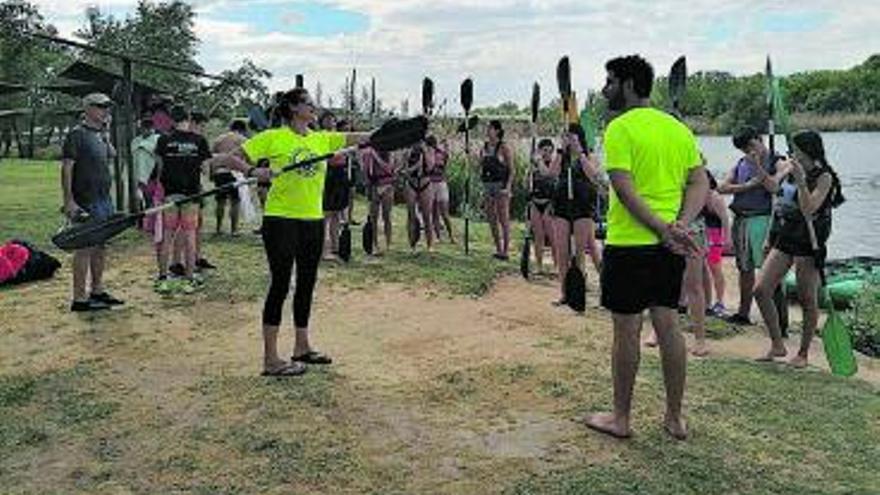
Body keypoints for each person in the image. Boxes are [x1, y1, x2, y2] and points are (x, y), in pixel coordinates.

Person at [583, 55, 708, 441]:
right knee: (668, 325)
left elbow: (623, 188)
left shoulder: (619, 128)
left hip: (631, 244)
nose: (605, 90)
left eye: (610, 82)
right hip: (669, 246)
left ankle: (621, 419)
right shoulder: (678, 130)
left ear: (630, 84)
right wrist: (680, 226)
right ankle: (674, 418)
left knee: (627, 331)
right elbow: (699, 183)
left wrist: (664, 228)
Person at [235, 87, 366, 376]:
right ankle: (270, 359)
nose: (314, 107)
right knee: (281, 285)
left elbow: (359, 138)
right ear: (294, 108)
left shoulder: (322, 139)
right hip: (281, 220)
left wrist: (391, 133)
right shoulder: (273, 137)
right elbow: (230, 157)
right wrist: (252, 171)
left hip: (312, 220)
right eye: (308, 103)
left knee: (307, 282)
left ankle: (301, 347)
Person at [754, 130, 844, 367]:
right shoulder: (788, 167)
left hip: (809, 240)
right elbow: (773, 188)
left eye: (796, 150)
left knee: (807, 299)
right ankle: (777, 344)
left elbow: (810, 208)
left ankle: (803, 353)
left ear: (808, 151)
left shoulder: (824, 177)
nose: (792, 153)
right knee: (761, 290)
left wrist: (802, 182)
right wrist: (760, 169)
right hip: (786, 235)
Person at [717, 126, 788, 325]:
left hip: (764, 220)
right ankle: (743, 313)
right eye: (744, 149)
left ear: (760, 139)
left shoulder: (778, 161)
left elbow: (774, 186)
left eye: (750, 145)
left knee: (769, 271)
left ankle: (777, 320)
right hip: (741, 218)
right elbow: (721, 187)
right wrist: (748, 186)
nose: (749, 151)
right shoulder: (741, 163)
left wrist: (759, 168)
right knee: (744, 268)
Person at [61, 93, 124, 312]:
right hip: (85, 199)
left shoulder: (100, 134)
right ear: (87, 108)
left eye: (108, 107)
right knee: (84, 247)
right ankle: (79, 299)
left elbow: (112, 155)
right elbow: (67, 167)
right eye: (101, 106)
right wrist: (69, 201)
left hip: (103, 198)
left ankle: (97, 290)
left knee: (100, 245)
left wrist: (106, 134)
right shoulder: (77, 135)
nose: (106, 110)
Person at [154, 106, 212, 294]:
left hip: (170, 195)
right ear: (188, 118)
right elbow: (205, 171)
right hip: (192, 195)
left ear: (171, 119)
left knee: (168, 235)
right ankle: (189, 278)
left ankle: (162, 278)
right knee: (189, 236)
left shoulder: (163, 140)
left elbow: (159, 168)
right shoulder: (200, 141)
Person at [550, 124, 603, 305]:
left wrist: (580, 153)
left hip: (582, 207)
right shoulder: (562, 156)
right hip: (562, 206)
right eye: (567, 137)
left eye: (572, 137)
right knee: (562, 251)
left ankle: (579, 292)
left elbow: (594, 175)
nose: (569, 141)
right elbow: (552, 173)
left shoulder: (588, 155)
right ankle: (564, 292)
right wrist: (560, 150)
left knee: (580, 252)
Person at [478, 120, 514, 260]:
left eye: (490, 128)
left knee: (503, 218)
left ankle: (505, 251)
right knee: (491, 218)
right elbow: (480, 165)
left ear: (497, 131)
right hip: (488, 185)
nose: (488, 131)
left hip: (501, 185)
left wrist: (508, 188)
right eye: (488, 128)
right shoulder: (485, 147)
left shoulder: (504, 147)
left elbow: (512, 170)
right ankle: (498, 248)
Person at [208, 120, 249, 236]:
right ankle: (234, 230)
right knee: (235, 202)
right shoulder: (243, 140)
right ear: (243, 129)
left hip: (219, 172)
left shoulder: (219, 139)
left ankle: (218, 228)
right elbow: (249, 158)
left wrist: (212, 174)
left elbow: (212, 158)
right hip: (235, 172)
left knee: (220, 201)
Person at [703, 170, 732, 316]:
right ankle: (707, 302)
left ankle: (720, 301)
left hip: (715, 236)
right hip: (704, 235)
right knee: (704, 270)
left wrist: (727, 239)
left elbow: (725, 219)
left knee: (715, 269)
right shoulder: (699, 196)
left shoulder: (715, 197)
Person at [319, 111, 348, 261]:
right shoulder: (320, 136)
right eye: (328, 119)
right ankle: (323, 249)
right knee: (326, 213)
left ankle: (335, 247)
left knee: (337, 212)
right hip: (327, 174)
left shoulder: (339, 136)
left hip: (340, 174)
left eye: (333, 119)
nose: (332, 122)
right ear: (322, 122)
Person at [528, 138, 557, 274]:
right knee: (538, 235)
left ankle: (557, 265)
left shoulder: (553, 165)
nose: (547, 153)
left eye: (549, 151)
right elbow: (529, 182)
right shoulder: (534, 165)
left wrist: (539, 161)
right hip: (535, 202)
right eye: (544, 150)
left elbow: (547, 175)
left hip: (548, 203)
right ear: (539, 151)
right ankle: (538, 265)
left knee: (551, 236)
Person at [401, 140, 436, 251]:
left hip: (425, 183)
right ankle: (412, 245)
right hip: (412, 183)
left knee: (427, 216)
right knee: (411, 215)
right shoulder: (408, 150)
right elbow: (403, 167)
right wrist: (411, 168)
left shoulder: (429, 149)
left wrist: (424, 151)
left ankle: (430, 245)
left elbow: (430, 167)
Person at [361, 144, 396, 253]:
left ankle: (388, 243)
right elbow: (365, 171)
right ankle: (375, 243)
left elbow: (389, 168)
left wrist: (375, 155)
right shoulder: (368, 153)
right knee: (373, 218)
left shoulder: (389, 153)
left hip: (387, 185)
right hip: (374, 186)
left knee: (386, 215)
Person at [428, 135, 456, 243]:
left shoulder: (440, 153)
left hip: (440, 183)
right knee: (435, 212)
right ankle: (438, 237)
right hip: (431, 183)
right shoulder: (428, 154)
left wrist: (447, 146)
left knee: (444, 213)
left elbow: (446, 159)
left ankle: (451, 236)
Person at [131, 117, 159, 211]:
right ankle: (142, 222)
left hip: (153, 176)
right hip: (138, 176)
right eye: (144, 127)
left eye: (149, 127)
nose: (147, 130)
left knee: (153, 202)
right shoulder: (135, 141)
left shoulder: (158, 139)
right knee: (142, 202)